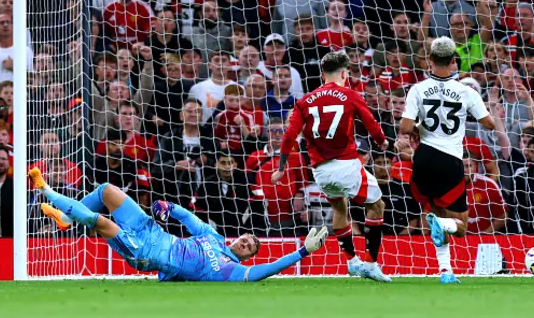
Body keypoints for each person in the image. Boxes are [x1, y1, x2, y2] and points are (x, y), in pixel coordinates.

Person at [30, 166, 328, 281]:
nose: (244, 242)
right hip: (153, 230)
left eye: (249, 246)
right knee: (107, 190)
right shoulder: (213, 237)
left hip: (148, 253)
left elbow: (267, 270)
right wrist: (168, 207)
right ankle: (66, 219)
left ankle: (46, 190)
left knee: (100, 222)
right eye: (246, 238)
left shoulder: (231, 271)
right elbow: (189, 218)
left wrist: (303, 251)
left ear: (248, 257)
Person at [273, 51, 392, 282]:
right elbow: (370, 123)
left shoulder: (304, 101)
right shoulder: (350, 94)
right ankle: (370, 263)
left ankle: (351, 261)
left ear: (321, 75)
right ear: (344, 74)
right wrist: (382, 141)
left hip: (320, 172)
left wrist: (280, 168)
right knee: (378, 205)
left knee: (340, 209)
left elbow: (289, 136)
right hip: (346, 164)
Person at [400, 37, 496, 284]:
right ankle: (440, 224)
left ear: (429, 60)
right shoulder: (466, 91)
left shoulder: (417, 89)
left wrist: (420, 127)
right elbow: (489, 124)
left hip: (422, 159)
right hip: (450, 160)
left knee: (437, 212)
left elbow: (405, 126)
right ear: (454, 61)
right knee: (460, 227)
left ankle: (445, 271)